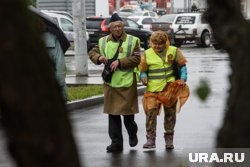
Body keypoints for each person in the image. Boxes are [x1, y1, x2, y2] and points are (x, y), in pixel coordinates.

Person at [88, 13, 141, 152]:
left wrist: (120, 62)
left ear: (123, 26)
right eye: (114, 27)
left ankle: (132, 133)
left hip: (127, 82)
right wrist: (99, 58)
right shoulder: (103, 41)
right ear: (110, 29)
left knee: (128, 115)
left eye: (119, 26)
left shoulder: (133, 40)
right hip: (110, 83)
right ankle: (116, 143)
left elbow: (137, 59)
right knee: (113, 115)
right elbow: (92, 53)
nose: (117, 29)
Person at [139, 30, 188, 149]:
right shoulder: (146, 54)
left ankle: (169, 139)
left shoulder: (174, 51)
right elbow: (142, 70)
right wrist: (143, 76)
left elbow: (182, 66)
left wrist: (183, 78)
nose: (156, 46)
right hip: (152, 89)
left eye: (159, 44)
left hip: (169, 88)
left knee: (170, 114)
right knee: (150, 113)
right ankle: (151, 139)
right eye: (154, 43)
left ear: (165, 42)